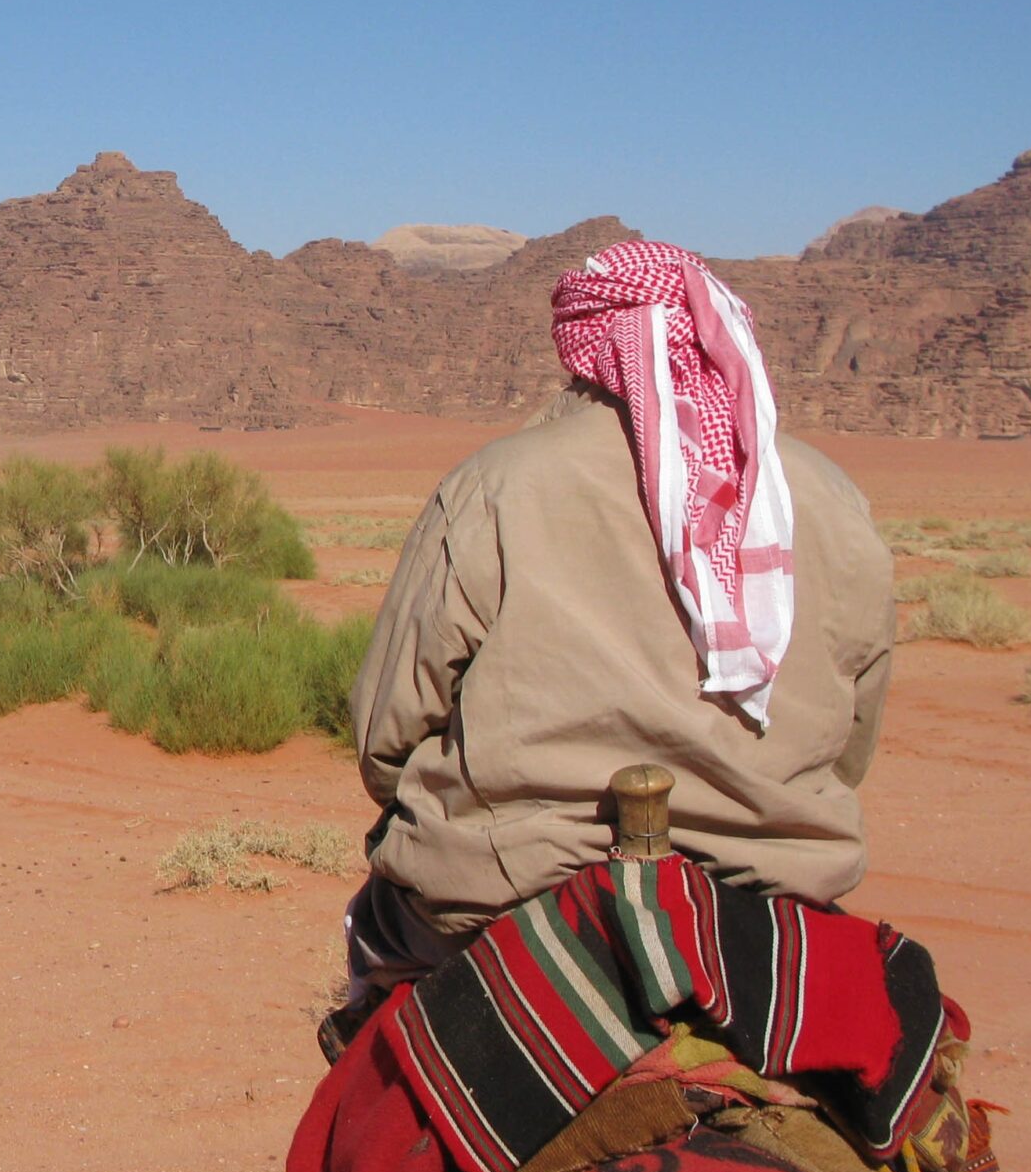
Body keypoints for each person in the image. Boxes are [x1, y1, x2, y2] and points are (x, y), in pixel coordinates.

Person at [339, 238, 896, 1011]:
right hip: (771, 905)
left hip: (510, 895)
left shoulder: (496, 486)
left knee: (371, 949)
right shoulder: (829, 499)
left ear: (582, 345)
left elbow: (388, 734)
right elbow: (853, 741)